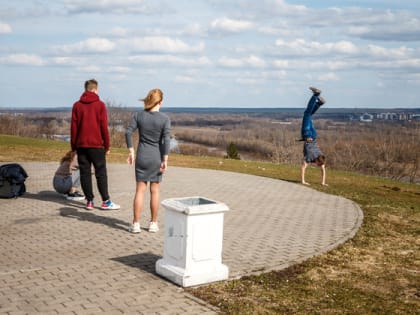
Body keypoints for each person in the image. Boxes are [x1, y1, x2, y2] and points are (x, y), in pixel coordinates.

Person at [125, 89, 171, 233]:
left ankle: (136, 224)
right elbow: (167, 140)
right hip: (156, 158)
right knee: (155, 191)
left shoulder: (139, 115)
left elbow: (128, 132)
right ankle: (153, 223)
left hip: (142, 157)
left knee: (140, 190)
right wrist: (165, 159)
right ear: (160, 102)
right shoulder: (164, 119)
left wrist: (131, 151)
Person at [71, 79, 120, 210]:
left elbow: (74, 128)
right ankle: (106, 201)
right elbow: (103, 127)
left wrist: (74, 147)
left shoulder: (77, 106)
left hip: (81, 145)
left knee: (85, 173)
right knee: (101, 173)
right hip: (97, 145)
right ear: (95, 89)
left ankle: (89, 201)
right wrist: (107, 146)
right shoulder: (100, 105)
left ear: (85, 89)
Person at [300, 87, 328, 186]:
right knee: (307, 113)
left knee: (309, 115)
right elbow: (303, 168)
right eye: (318, 165)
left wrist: (323, 182)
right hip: (307, 134)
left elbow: (323, 171)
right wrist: (303, 181)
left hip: (313, 135)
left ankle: (319, 103)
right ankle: (316, 94)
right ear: (317, 161)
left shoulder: (321, 156)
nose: (318, 166)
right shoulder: (310, 157)